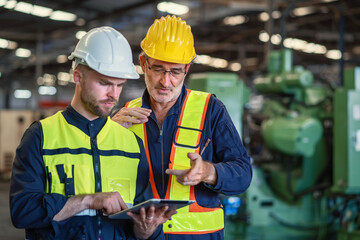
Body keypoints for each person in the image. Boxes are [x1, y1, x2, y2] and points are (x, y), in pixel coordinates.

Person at [9, 26, 175, 240]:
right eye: (104, 83)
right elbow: (23, 212)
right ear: (77, 77)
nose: (113, 95)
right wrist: (87, 200)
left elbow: (143, 225)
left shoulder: (132, 143)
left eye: (119, 85)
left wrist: (145, 230)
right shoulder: (41, 136)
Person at [112, 15, 252, 240]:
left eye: (175, 71)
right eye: (157, 69)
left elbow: (243, 174)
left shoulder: (210, 109)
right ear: (143, 63)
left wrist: (208, 172)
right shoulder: (124, 116)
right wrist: (108, 134)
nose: (165, 82)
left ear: (187, 68)